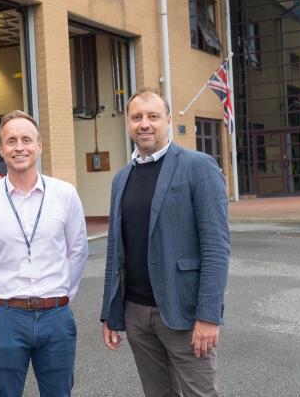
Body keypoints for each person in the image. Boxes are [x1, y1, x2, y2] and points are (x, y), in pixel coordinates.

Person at [100, 88, 230, 397]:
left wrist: (209, 315)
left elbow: (216, 247)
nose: (144, 124)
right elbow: (115, 250)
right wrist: (111, 312)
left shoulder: (198, 167)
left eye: (153, 116)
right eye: (137, 117)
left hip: (183, 313)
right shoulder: (121, 178)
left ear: (168, 120)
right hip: (137, 315)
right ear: (129, 124)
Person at [0, 110, 89, 397]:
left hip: (56, 316)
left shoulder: (65, 194)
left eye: (26, 139)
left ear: (39, 145)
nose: (19, 147)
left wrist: (62, 293)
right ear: (1, 149)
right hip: (8, 318)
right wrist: (1, 298)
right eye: (11, 141)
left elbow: (78, 250)